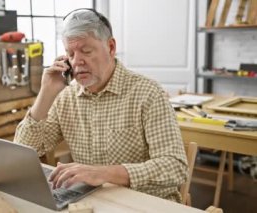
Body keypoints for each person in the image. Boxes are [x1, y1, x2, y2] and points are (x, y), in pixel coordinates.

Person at [14, 8, 188, 203]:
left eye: (86, 51)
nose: (77, 61)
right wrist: (46, 92)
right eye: (70, 54)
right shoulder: (66, 98)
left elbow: (175, 167)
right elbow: (22, 152)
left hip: (147, 203)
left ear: (111, 47)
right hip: (94, 202)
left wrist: (105, 173)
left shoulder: (148, 93)